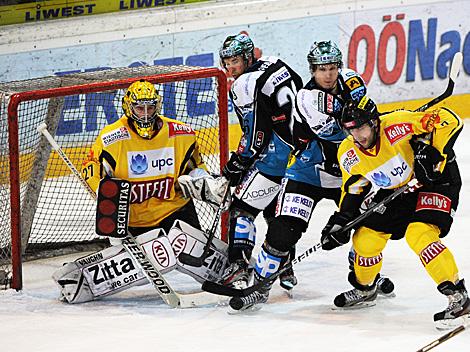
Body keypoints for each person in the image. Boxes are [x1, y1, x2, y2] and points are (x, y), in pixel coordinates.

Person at [228, 41, 392, 311]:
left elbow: (371, 119)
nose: (328, 75)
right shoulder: (308, 98)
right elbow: (344, 135)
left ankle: (365, 280)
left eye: (332, 68)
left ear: (339, 67)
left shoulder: (351, 80)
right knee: (283, 230)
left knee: (367, 227)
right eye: (321, 69)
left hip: (350, 173)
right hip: (309, 171)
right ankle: (259, 285)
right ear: (312, 71)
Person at [52, 79, 228, 303]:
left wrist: (205, 182)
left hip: (174, 212)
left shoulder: (181, 134)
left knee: (195, 253)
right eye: (139, 108)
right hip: (133, 219)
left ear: (158, 105)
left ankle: (234, 271)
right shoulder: (111, 138)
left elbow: (195, 169)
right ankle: (80, 279)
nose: (145, 114)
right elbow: (92, 171)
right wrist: (103, 193)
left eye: (150, 107)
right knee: (134, 267)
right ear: (128, 107)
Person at [320, 96, 469, 329]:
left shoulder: (397, 124)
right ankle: (366, 288)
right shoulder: (348, 152)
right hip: (400, 190)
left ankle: (459, 297)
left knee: (419, 233)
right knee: (365, 239)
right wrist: (341, 219)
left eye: (361, 127)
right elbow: (355, 186)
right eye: (350, 130)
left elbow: (450, 120)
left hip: (436, 181)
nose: (357, 136)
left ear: (374, 123)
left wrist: (433, 153)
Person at [217, 33, 304, 291]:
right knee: (277, 210)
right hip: (300, 153)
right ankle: (285, 266)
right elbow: (299, 88)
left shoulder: (244, 84)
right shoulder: (276, 62)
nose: (230, 68)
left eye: (234, 61)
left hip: (275, 157)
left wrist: (239, 162)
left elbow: (256, 134)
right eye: (226, 62)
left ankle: (238, 268)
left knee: (242, 208)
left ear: (247, 57)